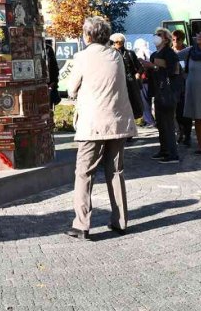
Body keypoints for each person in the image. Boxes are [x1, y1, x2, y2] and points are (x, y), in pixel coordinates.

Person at [65, 17, 137, 240]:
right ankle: (120, 221)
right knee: (116, 172)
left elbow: (70, 89)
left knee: (84, 173)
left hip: (93, 125)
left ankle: (82, 224)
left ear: (88, 36)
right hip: (117, 122)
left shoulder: (83, 57)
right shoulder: (115, 55)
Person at [144, 28, 182, 164]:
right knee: (161, 123)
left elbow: (174, 70)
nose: (156, 37)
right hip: (159, 92)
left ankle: (173, 154)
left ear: (166, 39)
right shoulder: (154, 54)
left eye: (159, 35)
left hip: (168, 92)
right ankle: (164, 150)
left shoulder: (170, 53)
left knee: (168, 124)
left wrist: (153, 66)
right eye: (155, 34)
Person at [110, 33, 143, 121]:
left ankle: (132, 120)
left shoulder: (129, 53)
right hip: (117, 82)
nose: (118, 44)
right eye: (116, 42)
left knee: (132, 103)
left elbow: (140, 67)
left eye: (120, 42)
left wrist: (137, 74)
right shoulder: (111, 54)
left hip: (129, 81)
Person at [171, 29, 192, 146]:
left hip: (187, 85)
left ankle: (187, 135)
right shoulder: (170, 52)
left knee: (186, 112)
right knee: (177, 113)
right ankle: (180, 133)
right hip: (175, 87)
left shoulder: (188, 52)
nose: (175, 42)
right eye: (173, 39)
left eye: (178, 39)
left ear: (182, 40)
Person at [132, 38, 155, 127]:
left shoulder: (140, 53)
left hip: (143, 80)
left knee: (144, 101)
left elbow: (140, 65)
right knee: (147, 100)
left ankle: (149, 120)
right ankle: (148, 119)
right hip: (150, 80)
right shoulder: (150, 52)